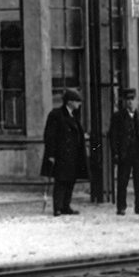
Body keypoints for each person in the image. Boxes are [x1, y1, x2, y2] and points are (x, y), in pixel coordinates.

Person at [40, 88, 87, 217]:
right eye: (77, 101)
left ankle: (66, 206)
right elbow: (49, 136)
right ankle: (58, 207)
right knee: (60, 181)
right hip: (60, 155)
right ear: (70, 102)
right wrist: (51, 154)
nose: (79, 104)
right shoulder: (56, 114)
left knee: (70, 180)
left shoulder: (74, 115)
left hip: (73, 155)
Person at [107, 87, 139, 216]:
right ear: (124, 101)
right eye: (127, 100)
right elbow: (113, 136)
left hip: (138, 154)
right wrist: (115, 152)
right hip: (124, 154)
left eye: (132, 99)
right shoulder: (117, 116)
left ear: (137, 101)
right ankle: (121, 207)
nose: (130, 102)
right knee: (122, 181)